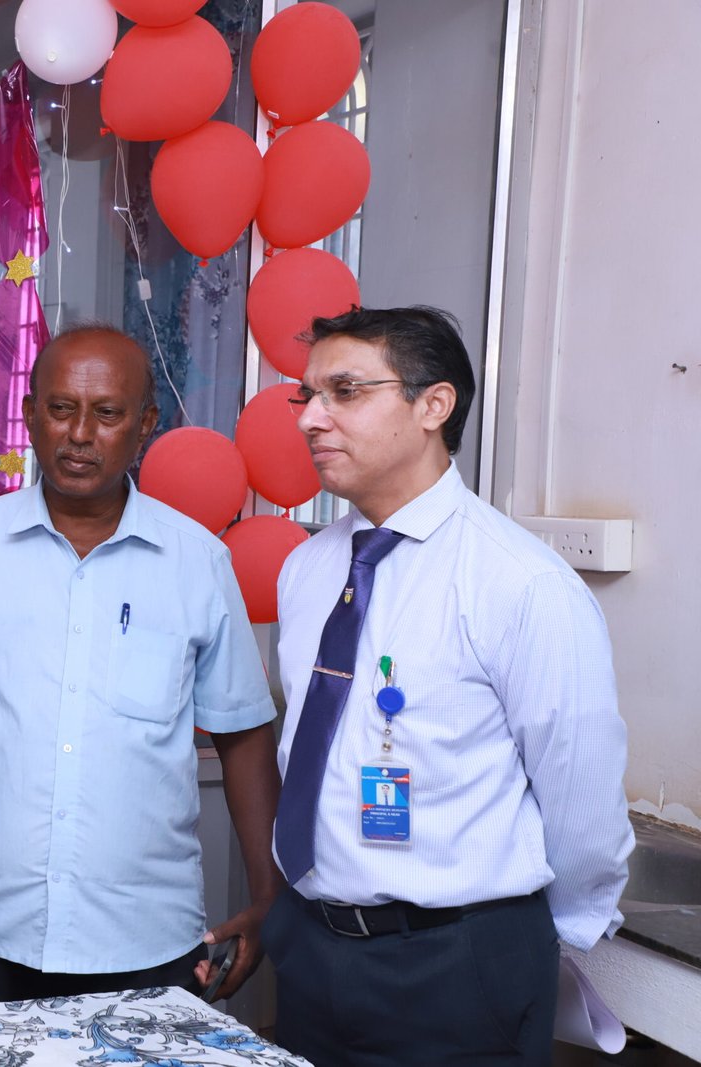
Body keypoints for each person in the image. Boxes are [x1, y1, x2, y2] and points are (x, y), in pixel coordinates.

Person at [0, 323, 282, 1010]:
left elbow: (243, 736)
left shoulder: (198, 562)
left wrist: (268, 897)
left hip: (145, 941)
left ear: (145, 425)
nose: (80, 434)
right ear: (31, 415)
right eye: (61, 409)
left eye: (107, 413)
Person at [267, 306, 633, 1066]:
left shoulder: (521, 584)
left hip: (456, 964)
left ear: (433, 405)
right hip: (311, 949)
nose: (311, 418)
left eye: (345, 391)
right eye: (308, 395)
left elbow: (583, 809)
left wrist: (530, 947)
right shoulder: (307, 569)